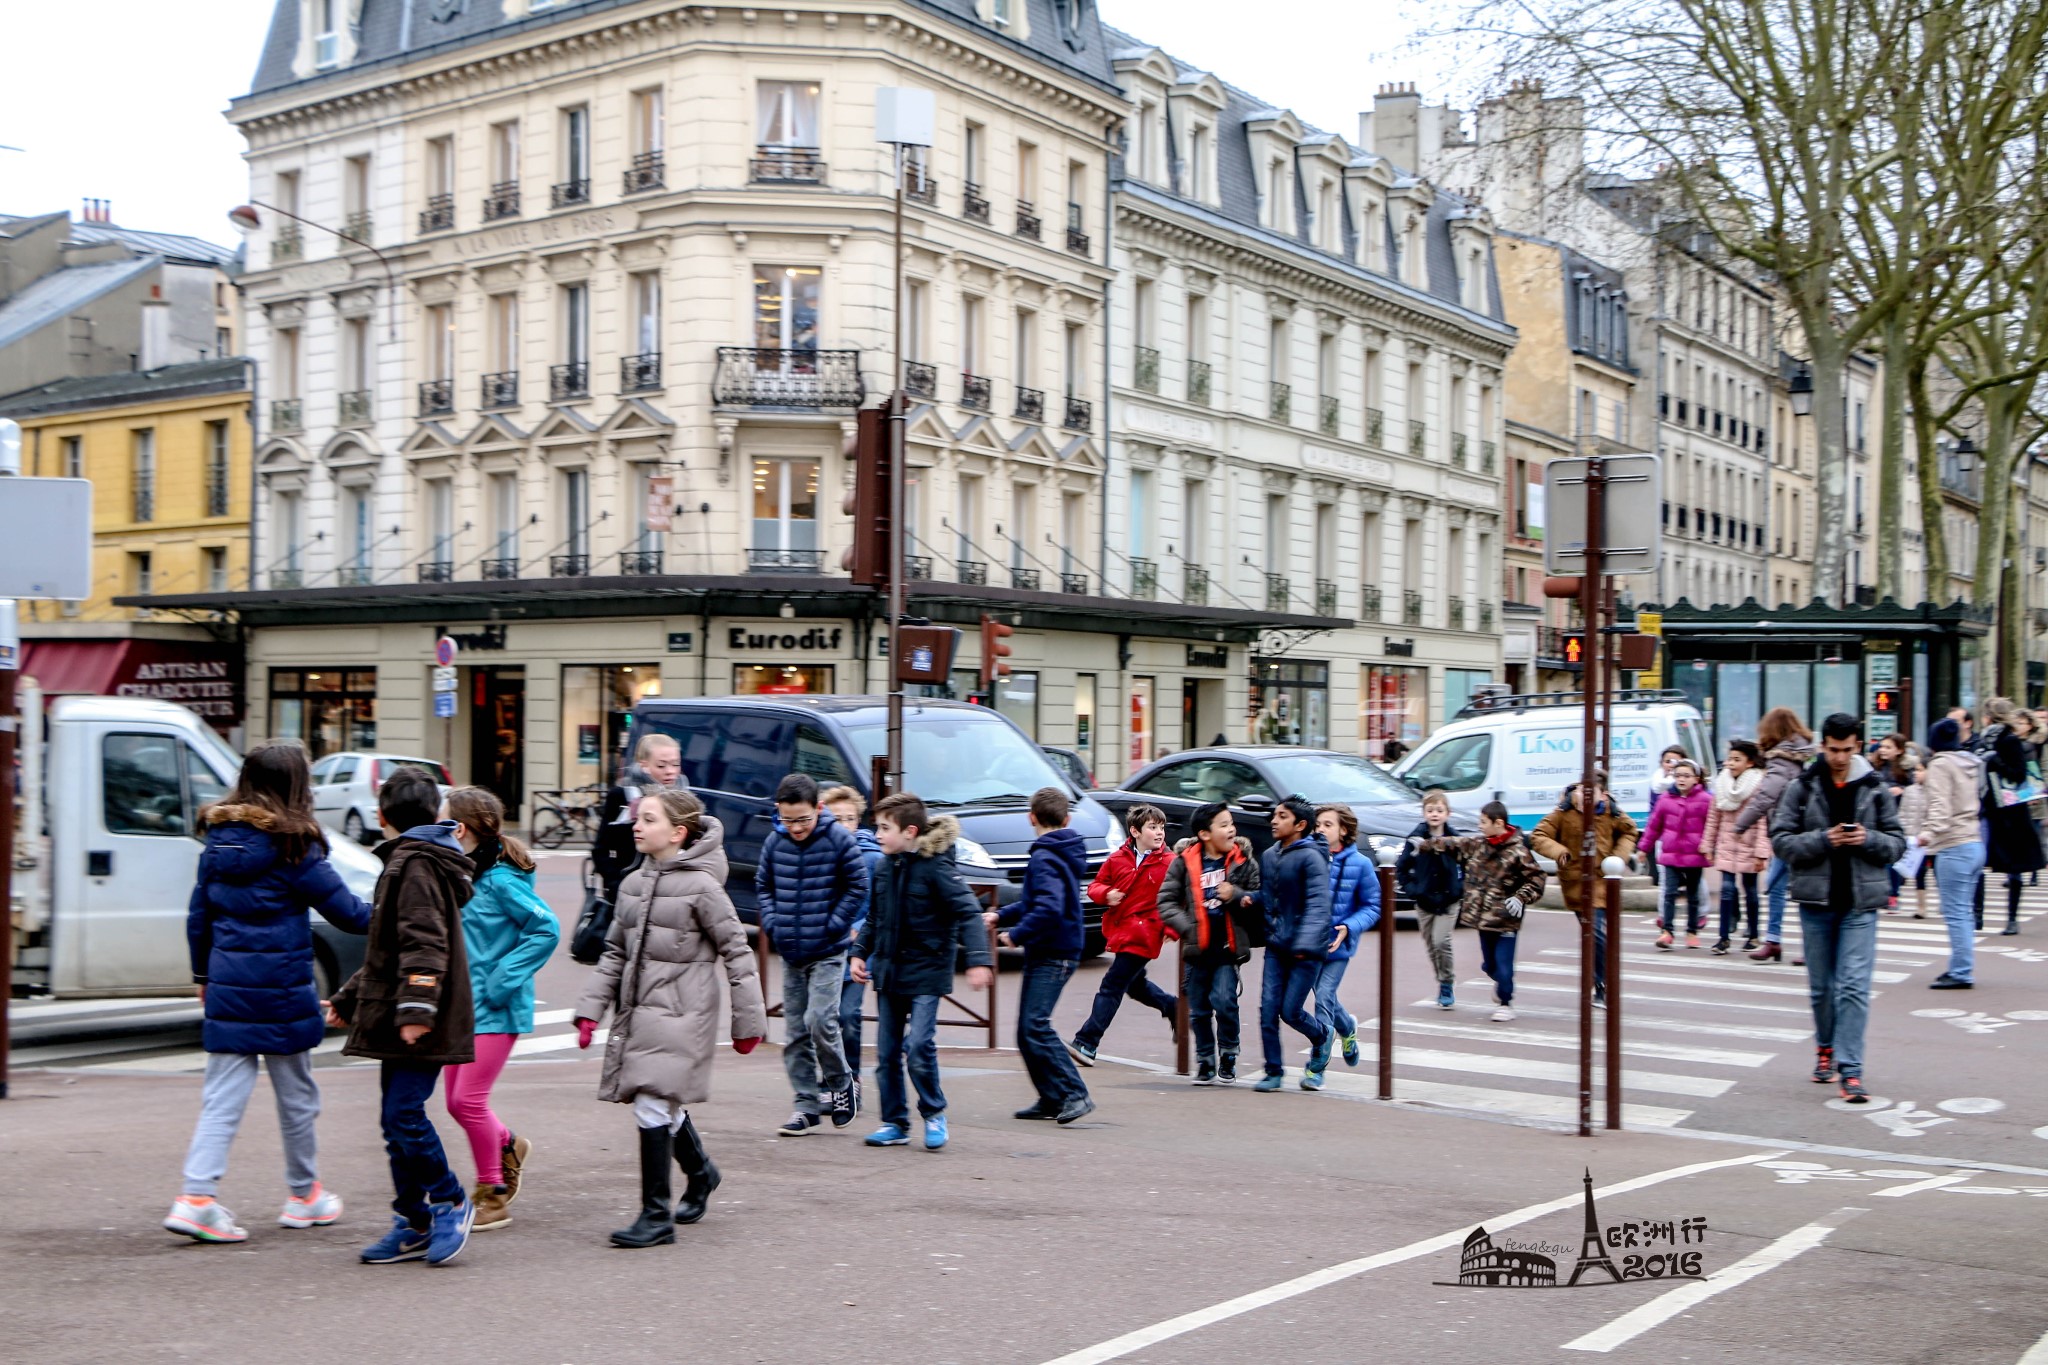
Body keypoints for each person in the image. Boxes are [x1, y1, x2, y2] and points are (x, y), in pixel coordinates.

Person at [164, 743, 373, 1245]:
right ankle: (304, 1195)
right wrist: (400, 909)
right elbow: (348, 913)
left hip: (228, 982)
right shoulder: (294, 843)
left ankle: (196, 1196)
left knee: (222, 1097)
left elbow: (199, 917)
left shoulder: (218, 839)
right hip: (282, 986)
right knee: (297, 1096)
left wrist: (202, 977)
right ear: (296, 786)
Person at [575, 788, 766, 1247]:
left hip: (685, 1010)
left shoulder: (703, 887)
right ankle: (701, 1174)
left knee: (652, 1102)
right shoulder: (632, 884)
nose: (637, 826)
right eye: (637, 818)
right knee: (662, 1102)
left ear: (678, 833)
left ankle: (655, 1216)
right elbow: (615, 952)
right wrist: (590, 1010)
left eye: (649, 819)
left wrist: (748, 1023)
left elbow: (737, 952)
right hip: (640, 1009)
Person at [328, 768, 480, 1267]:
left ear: (382, 816)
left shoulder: (414, 864)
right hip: (404, 1012)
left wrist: (417, 1010)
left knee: (403, 1115)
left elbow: (423, 944)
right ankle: (413, 1221)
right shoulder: (410, 861)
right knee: (395, 1122)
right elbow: (384, 950)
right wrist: (349, 1001)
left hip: (421, 1017)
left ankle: (451, 1201)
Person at [1768, 712, 1906, 1103]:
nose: (1840, 757)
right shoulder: (1804, 785)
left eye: (1847, 750)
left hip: (1861, 903)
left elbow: (1897, 843)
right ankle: (1825, 1048)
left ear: (1858, 746)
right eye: (1833, 750)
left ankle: (1852, 1069)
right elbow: (1781, 840)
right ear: (1822, 746)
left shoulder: (1875, 786)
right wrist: (1824, 840)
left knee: (1854, 987)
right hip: (1816, 901)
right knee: (1822, 989)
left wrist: (1867, 838)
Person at [440, 786, 560, 1232]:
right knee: (455, 1103)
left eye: (443, 819)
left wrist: (502, 979)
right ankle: (507, 1144)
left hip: (497, 1005)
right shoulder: (467, 872)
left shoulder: (501, 880)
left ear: (462, 829)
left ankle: (492, 1194)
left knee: (469, 1102)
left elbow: (546, 928)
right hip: (466, 1006)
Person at [849, 792, 994, 1148]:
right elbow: (876, 918)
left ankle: (933, 1113)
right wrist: (859, 953)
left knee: (918, 1047)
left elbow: (967, 913)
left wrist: (978, 960)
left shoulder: (936, 867)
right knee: (885, 1055)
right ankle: (895, 1122)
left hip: (927, 971)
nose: (878, 834)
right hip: (890, 972)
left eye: (885, 828)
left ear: (910, 831)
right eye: (876, 827)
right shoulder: (885, 867)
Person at [755, 772, 868, 1136]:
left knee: (821, 1020)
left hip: (828, 950)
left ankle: (839, 1083)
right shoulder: (775, 841)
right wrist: (774, 924)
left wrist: (833, 925)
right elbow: (763, 885)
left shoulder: (838, 839)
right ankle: (805, 1106)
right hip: (791, 950)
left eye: (803, 819)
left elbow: (858, 884)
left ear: (818, 808)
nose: (796, 828)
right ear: (778, 812)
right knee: (795, 1033)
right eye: (788, 820)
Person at [991, 787, 1094, 1123]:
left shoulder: (1045, 856)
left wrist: (1016, 934)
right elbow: (1037, 902)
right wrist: (1001, 916)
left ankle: (1074, 1093)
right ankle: (1051, 1098)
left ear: (1031, 817)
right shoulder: (1059, 852)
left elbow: (1046, 908)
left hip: (1053, 950)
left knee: (1034, 1026)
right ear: (1066, 819)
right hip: (1057, 947)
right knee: (1026, 1029)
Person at [1411, 802, 1546, 1022]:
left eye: (1483, 822)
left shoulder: (1519, 851)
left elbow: (1537, 878)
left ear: (1498, 823)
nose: (1480, 826)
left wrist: (1520, 898)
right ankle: (1501, 981)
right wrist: (1424, 845)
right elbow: (1453, 843)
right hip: (1483, 919)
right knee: (1489, 965)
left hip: (1506, 920)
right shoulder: (1478, 845)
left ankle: (1505, 1002)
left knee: (1503, 965)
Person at [1156, 801, 1260, 1085]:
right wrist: (1187, 927)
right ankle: (1205, 1059)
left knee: (1225, 1001)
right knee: (1199, 1008)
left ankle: (1228, 1051)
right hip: (1197, 948)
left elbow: (1256, 898)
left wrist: (1236, 894)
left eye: (1231, 824)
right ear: (1204, 834)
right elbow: (1165, 901)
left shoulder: (1243, 862)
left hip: (1227, 947)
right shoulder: (1184, 863)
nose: (1231, 829)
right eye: (1224, 825)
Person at [1236, 795, 1335, 1092]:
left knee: (1291, 1011)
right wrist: (1246, 896)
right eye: (1274, 816)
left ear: (1300, 825)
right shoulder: (1270, 855)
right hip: (1278, 945)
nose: (1274, 821)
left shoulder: (1311, 857)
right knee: (1267, 1009)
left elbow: (1319, 904)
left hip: (1307, 949)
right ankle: (1273, 1071)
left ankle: (1321, 1036)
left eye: (1282, 816)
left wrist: (1304, 942)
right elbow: (1270, 895)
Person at [1068, 804, 1178, 1065]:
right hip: (1121, 931)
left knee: (1112, 986)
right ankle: (1175, 1008)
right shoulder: (1118, 859)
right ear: (1135, 831)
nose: (1159, 833)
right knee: (1135, 986)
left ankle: (1086, 1042)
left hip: (1145, 934)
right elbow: (1096, 885)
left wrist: (1172, 928)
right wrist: (1106, 894)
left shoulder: (1170, 862)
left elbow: (1179, 898)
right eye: (1153, 827)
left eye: (1161, 827)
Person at [1530, 775, 1637, 1004]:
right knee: (1592, 933)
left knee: (1595, 932)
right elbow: (1539, 835)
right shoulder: (1563, 812)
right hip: (1576, 882)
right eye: (1581, 790)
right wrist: (1559, 852)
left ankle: (1601, 983)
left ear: (1603, 795)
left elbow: (1630, 832)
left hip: (1601, 879)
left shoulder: (1612, 812)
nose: (1584, 795)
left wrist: (1618, 858)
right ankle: (1599, 980)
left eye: (1591, 791)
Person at [822, 784, 882, 1110]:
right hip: (824, 949)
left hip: (856, 952)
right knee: (822, 1017)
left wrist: (859, 929)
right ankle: (830, 1082)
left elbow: (877, 904)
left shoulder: (871, 857)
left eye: (850, 818)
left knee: (848, 1015)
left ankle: (852, 1079)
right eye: (837, 818)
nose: (845, 824)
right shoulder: (819, 853)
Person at [1744, 707, 1818, 962]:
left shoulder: (1781, 759)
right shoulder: (1806, 754)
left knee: (1779, 887)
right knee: (1795, 887)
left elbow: (1766, 796)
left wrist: (1740, 825)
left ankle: (1779, 941)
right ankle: (1782, 942)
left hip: (1788, 831)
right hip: (1809, 828)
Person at [1312, 804, 1383, 1065]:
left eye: (1327, 825)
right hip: (1309, 944)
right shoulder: (1309, 857)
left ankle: (1317, 1066)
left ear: (1343, 830)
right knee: (1325, 997)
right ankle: (1348, 1028)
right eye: (1318, 825)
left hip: (1338, 945)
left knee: (1323, 998)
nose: (1320, 829)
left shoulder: (1360, 864)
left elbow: (1374, 905)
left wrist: (1350, 926)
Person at [1919, 719, 1986, 987]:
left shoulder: (1940, 765)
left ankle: (1961, 971)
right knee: (1965, 911)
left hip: (1953, 844)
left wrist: (1928, 833)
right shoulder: (1970, 763)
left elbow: (1940, 806)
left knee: (1955, 912)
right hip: (1974, 841)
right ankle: (1962, 966)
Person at [1978, 697, 2043, 936]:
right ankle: (1977, 913)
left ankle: (2012, 918)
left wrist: (1996, 761)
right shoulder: (1984, 740)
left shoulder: (2010, 741)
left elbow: (2018, 774)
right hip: (1988, 808)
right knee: (1978, 860)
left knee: (2014, 866)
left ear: (1992, 716)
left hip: (2011, 811)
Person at [1396, 789, 1464, 1010]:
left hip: (1448, 899)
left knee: (1441, 941)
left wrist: (1460, 888)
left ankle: (1447, 982)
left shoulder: (1454, 839)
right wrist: (1413, 890)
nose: (1435, 814)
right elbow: (1402, 868)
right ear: (1424, 813)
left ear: (1447, 813)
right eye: (1430, 810)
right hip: (1424, 899)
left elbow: (1468, 865)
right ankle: (1442, 979)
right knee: (1431, 945)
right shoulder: (1416, 838)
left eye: (1439, 810)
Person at [593, 733, 682, 902]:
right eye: (661, 765)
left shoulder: (684, 799)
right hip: (630, 892)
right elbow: (600, 849)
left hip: (672, 893)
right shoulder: (622, 796)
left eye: (675, 764)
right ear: (644, 766)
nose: (670, 771)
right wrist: (616, 884)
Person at [1702, 740, 1771, 953]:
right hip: (1726, 844)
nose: (1730, 763)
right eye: (1730, 759)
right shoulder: (1721, 784)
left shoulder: (1759, 785)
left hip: (1749, 846)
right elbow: (1714, 817)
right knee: (1727, 889)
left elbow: (1762, 821)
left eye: (1736, 759)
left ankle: (1753, 934)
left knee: (1750, 890)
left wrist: (1761, 853)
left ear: (1749, 763)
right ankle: (1723, 938)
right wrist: (1707, 844)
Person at [1642, 759, 1709, 951]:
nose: (1681, 779)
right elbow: (1654, 826)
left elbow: (1712, 827)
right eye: (1678, 775)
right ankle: (1667, 931)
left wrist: (1710, 847)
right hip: (1671, 854)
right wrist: (1643, 848)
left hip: (1694, 855)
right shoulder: (1665, 799)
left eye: (1686, 776)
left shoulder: (1705, 800)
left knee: (1693, 895)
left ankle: (1692, 931)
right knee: (1669, 893)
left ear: (1696, 779)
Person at [1646, 744, 1687, 886]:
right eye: (1667, 761)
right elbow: (1653, 810)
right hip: (1663, 834)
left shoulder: (1687, 783)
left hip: (1685, 834)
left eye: (1675, 761)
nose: (1670, 765)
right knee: (1664, 872)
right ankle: (1666, 903)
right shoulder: (1656, 783)